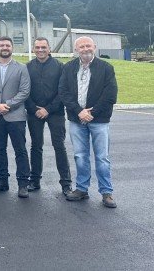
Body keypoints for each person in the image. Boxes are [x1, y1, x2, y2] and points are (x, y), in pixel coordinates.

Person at [60, 36, 118, 208]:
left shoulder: (106, 68)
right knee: (80, 156)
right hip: (76, 120)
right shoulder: (69, 67)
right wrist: (79, 111)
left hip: (99, 120)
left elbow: (110, 95)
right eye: (81, 46)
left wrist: (91, 112)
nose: (85, 49)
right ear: (76, 49)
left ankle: (106, 192)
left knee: (102, 158)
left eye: (88, 45)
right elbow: (63, 92)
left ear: (95, 47)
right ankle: (82, 189)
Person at [0, 37, 31, 198]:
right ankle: (2, 181)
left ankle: (23, 183)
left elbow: (24, 91)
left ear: (12, 48)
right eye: (1, 45)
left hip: (15, 116)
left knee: (20, 150)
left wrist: (7, 105)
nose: (4, 47)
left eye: (7, 45)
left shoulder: (22, 68)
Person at [25, 37, 71, 194]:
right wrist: (33, 108)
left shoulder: (60, 67)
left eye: (43, 47)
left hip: (55, 112)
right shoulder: (28, 67)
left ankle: (66, 183)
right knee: (36, 146)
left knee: (59, 146)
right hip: (34, 112)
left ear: (49, 49)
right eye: (37, 47)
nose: (40, 50)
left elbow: (63, 91)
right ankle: (34, 180)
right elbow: (24, 91)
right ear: (33, 49)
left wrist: (48, 109)